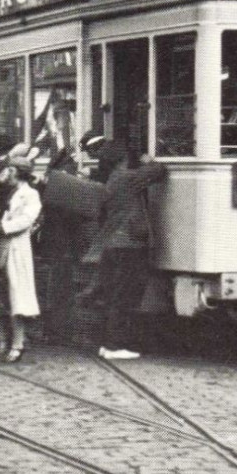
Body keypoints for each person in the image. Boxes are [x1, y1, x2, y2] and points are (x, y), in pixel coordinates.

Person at [93, 143, 168, 362]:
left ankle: (108, 344)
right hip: (129, 244)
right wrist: (148, 160)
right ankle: (115, 346)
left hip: (114, 243)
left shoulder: (110, 179)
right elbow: (158, 171)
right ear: (121, 159)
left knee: (116, 293)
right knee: (126, 296)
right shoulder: (124, 177)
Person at [0, 148, 43, 362]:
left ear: (17, 172)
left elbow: (26, 220)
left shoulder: (30, 195)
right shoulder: (2, 191)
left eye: (10, 169)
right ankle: (1, 340)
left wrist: (1, 227)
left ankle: (17, 343)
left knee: (16, 297)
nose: (6, 173)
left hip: (15, 248)